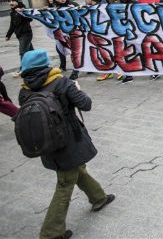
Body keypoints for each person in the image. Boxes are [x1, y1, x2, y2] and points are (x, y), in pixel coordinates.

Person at [18, 49, 115, 239]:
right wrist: (77, 89)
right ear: (45, 65)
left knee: (75, 170)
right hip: (69, 141)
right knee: (65, 183)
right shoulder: (61, 82)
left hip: (46, 143)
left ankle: (98, 197)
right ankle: (51, 233)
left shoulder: (24, 89)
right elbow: (86, 104)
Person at [6, 0, 34, 76]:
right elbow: (12, 25)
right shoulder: (12, 12)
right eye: (9, 1)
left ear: (17, 2)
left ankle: (23, 69)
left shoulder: (22, 9)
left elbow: (30, 18)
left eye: (13, 1)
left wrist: (22, 12)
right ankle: (39, 64)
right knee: (31, 51)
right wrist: (8, 35)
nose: (11, 3)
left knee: (23, 52)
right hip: (20, 35)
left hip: (26, 34)